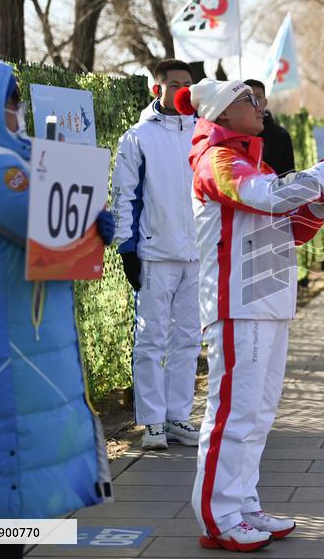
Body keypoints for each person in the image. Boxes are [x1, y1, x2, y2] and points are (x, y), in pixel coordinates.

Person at [0, 56, 115, 559]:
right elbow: (56, 233)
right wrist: (93, 221)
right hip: (5, 337)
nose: (18, 109)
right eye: (11, 99)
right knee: (1, 456)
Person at [177, 78, 324, 552]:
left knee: (258, 415)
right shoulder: (214, 158)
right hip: (237, 303)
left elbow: (291, 227)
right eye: (249, 100)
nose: (261, 106)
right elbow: (270, 197)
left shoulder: (251, 160)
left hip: (270, 300)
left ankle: (242, 503)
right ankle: (217, 518)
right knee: (233, 415)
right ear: (221, 114)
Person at [110, 58, 201, 450]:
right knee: (151, 339)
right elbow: (123, 196)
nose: (182, 91)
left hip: (197, 254)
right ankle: (151, 422)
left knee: (188, 339)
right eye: (174, 84)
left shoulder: (204, 133)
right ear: (157, 88)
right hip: (154, 253)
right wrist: (127, 250)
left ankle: (178, 415)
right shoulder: (137, 137)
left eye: (188, 85)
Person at [245, 78, 296, 177]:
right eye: (249, 99)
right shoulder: (235, 133)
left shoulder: (281, 135)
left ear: (265, 102)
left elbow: (288, 174)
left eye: (258, 97)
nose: (255, 102)